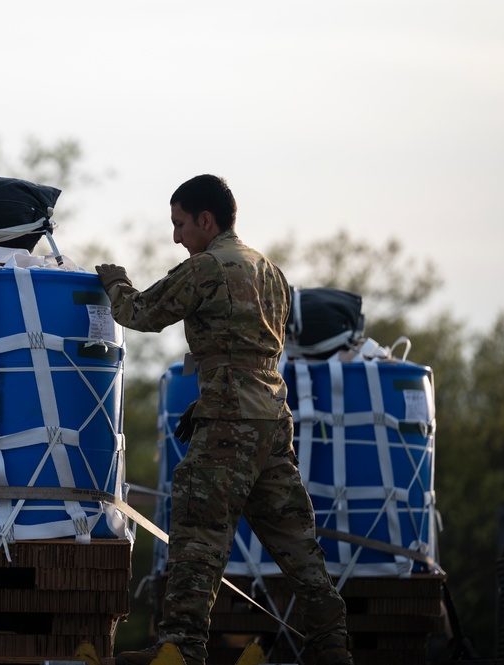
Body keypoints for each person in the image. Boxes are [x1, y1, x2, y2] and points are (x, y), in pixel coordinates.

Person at [95, 175, 352, 665]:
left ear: (205, 220)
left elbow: (142, 313)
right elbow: (252, 351)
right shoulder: (271, 271)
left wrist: (114, 281)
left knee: (197, 533)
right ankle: (333, 644)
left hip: (229, 425)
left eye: (180, 224)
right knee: (296, 541)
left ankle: (182, 648)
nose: (176, 237)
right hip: (273, 421)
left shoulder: (206, 267)